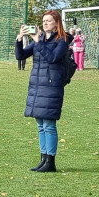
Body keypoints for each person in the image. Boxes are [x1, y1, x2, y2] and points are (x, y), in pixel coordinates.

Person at [16, 10, 70, 173]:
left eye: (49, 21)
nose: (45, 23)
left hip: (52, 85)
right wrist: (19, 39)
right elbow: (21, 56)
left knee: (49, 125)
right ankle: (43, 159)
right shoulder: (40, 39)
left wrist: (38, 41)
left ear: (56, 23)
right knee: (40, 125)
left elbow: (53, 57)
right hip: (37, 85)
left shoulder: (63, 39)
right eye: (44, 21)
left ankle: (50, 162)